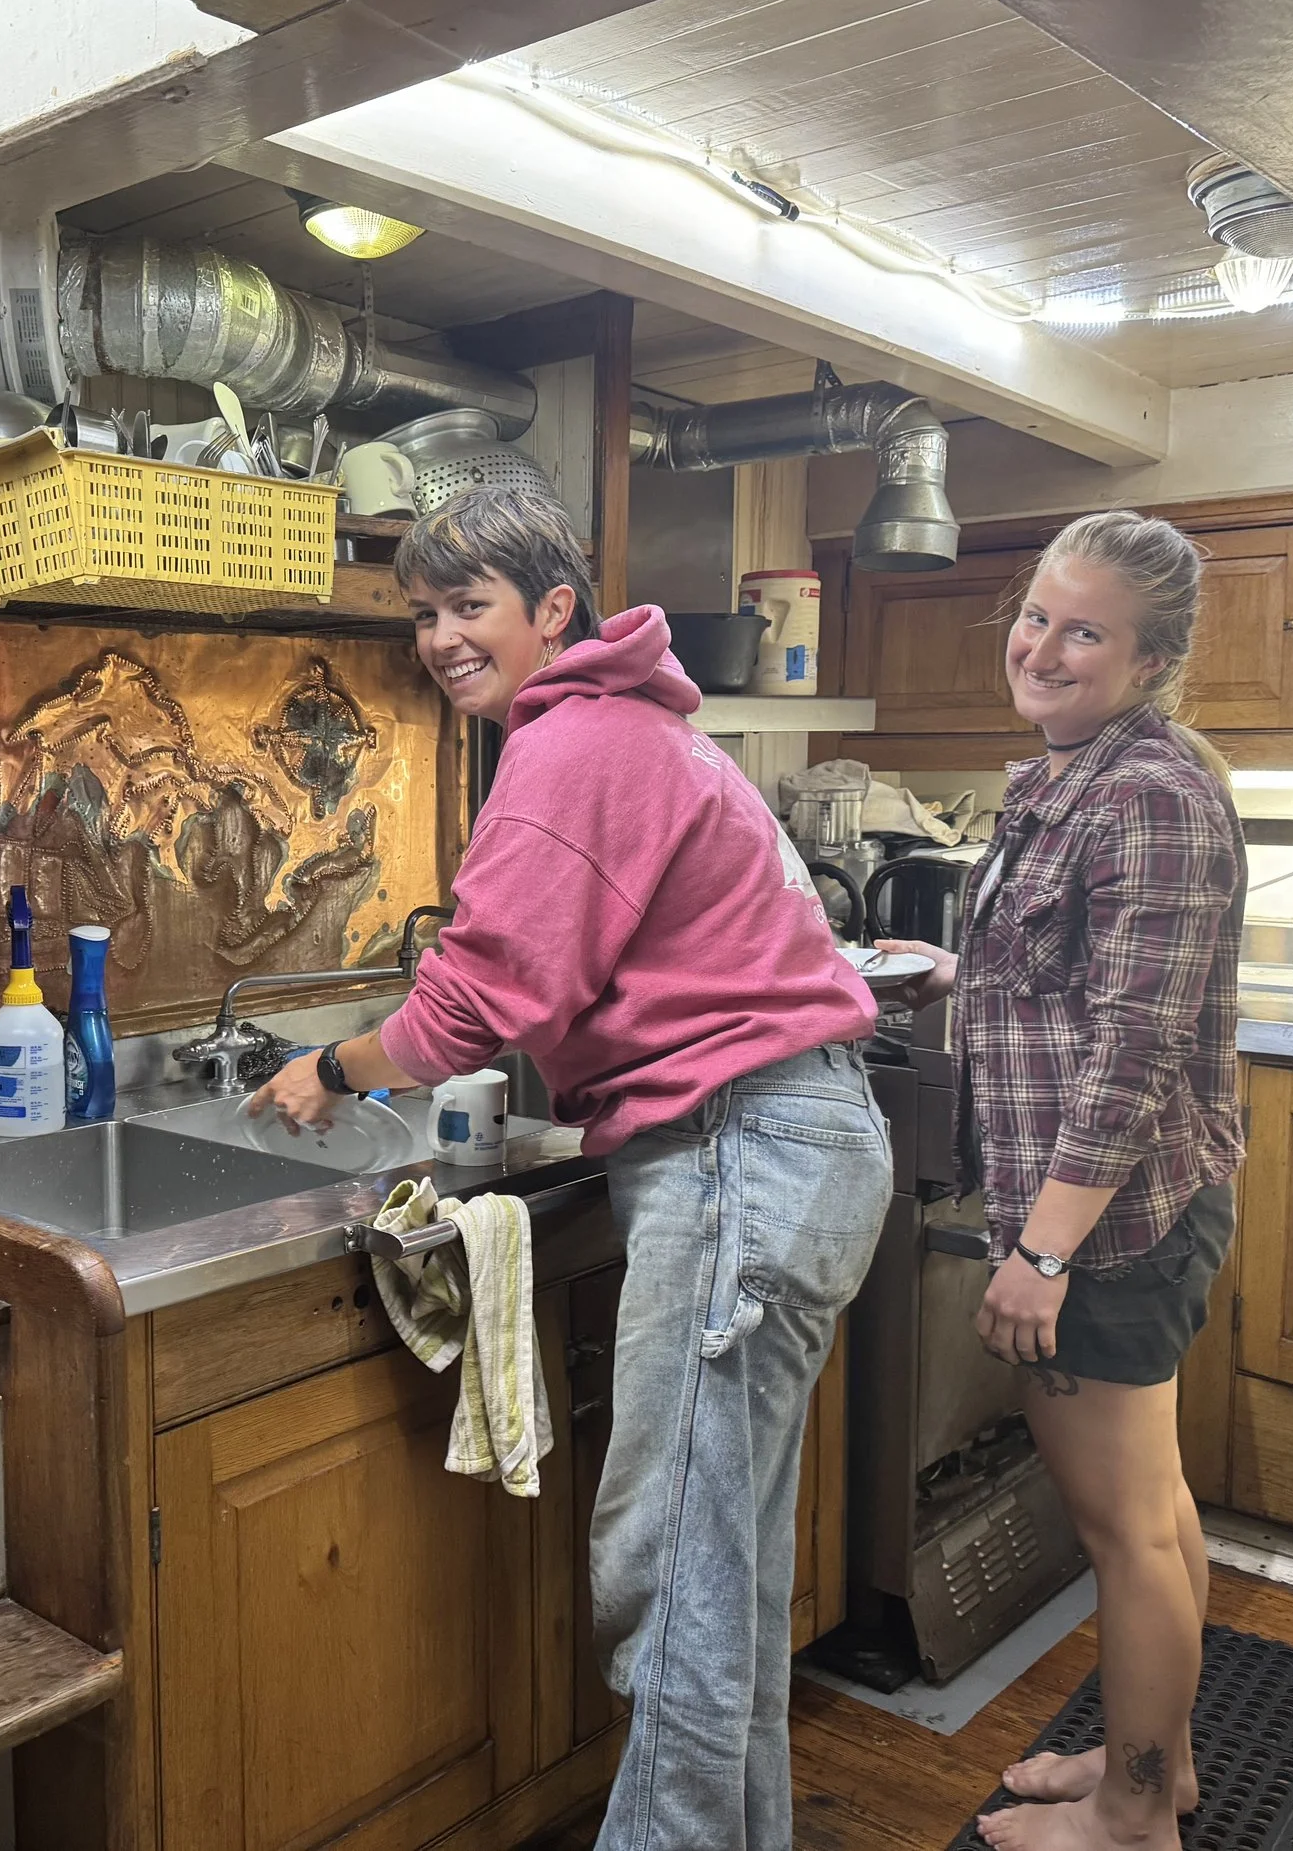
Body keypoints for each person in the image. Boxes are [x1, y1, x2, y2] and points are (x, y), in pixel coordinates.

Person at [252, 485, 890, 1849]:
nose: (440, 636)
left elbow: (475, 1004)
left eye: (467, 605)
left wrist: (333, 1069)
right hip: (792, 1141)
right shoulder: (632, 725)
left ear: (553, 609)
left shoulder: (572, 743)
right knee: (720, 1581)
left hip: (739, 1150)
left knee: (674, 1580)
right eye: (422, 612)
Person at [877, 511, 1245, 1851]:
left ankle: (1134, 1818)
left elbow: (1133, 1052)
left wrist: (1041, 1253)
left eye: (1084, 631)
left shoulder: (1147, 793)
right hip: (1115, 1214)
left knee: (1125, 1529)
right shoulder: (1074, 772)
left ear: (1150, 662)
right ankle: (1159, 1764)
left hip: (1110, 1228)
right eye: (1036, 615)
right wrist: (957, 975)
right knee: (1154, 1507)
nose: (1040, 647)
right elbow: (1074, 978)